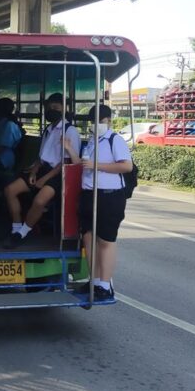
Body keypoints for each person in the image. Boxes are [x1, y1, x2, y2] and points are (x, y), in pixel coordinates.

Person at [62, 104, 132, 302]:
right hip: (88, 194)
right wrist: (69, 149)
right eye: (93, 121)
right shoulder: (92, 141)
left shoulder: (114, 139)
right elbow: (82, 164)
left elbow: (126, 166)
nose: (96, 124)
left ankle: (105, 285)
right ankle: (93, 281)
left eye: (100, 120)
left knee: (106, 240)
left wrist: (97, 165)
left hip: (109, 196)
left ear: (108, 120)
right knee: (88, 237)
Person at [2, 93, 80, 249]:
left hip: (58, 174)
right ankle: (15, 228)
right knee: (10, 190)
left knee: (40, 200)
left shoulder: (70, 131)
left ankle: (22, 233)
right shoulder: (48, 129)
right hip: (42, 169)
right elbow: (41, 156)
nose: (51, 111)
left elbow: (65, 162)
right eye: (49, 108)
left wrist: (44, 179)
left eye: (55, 107)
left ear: (64, 109)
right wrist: (33, 172)